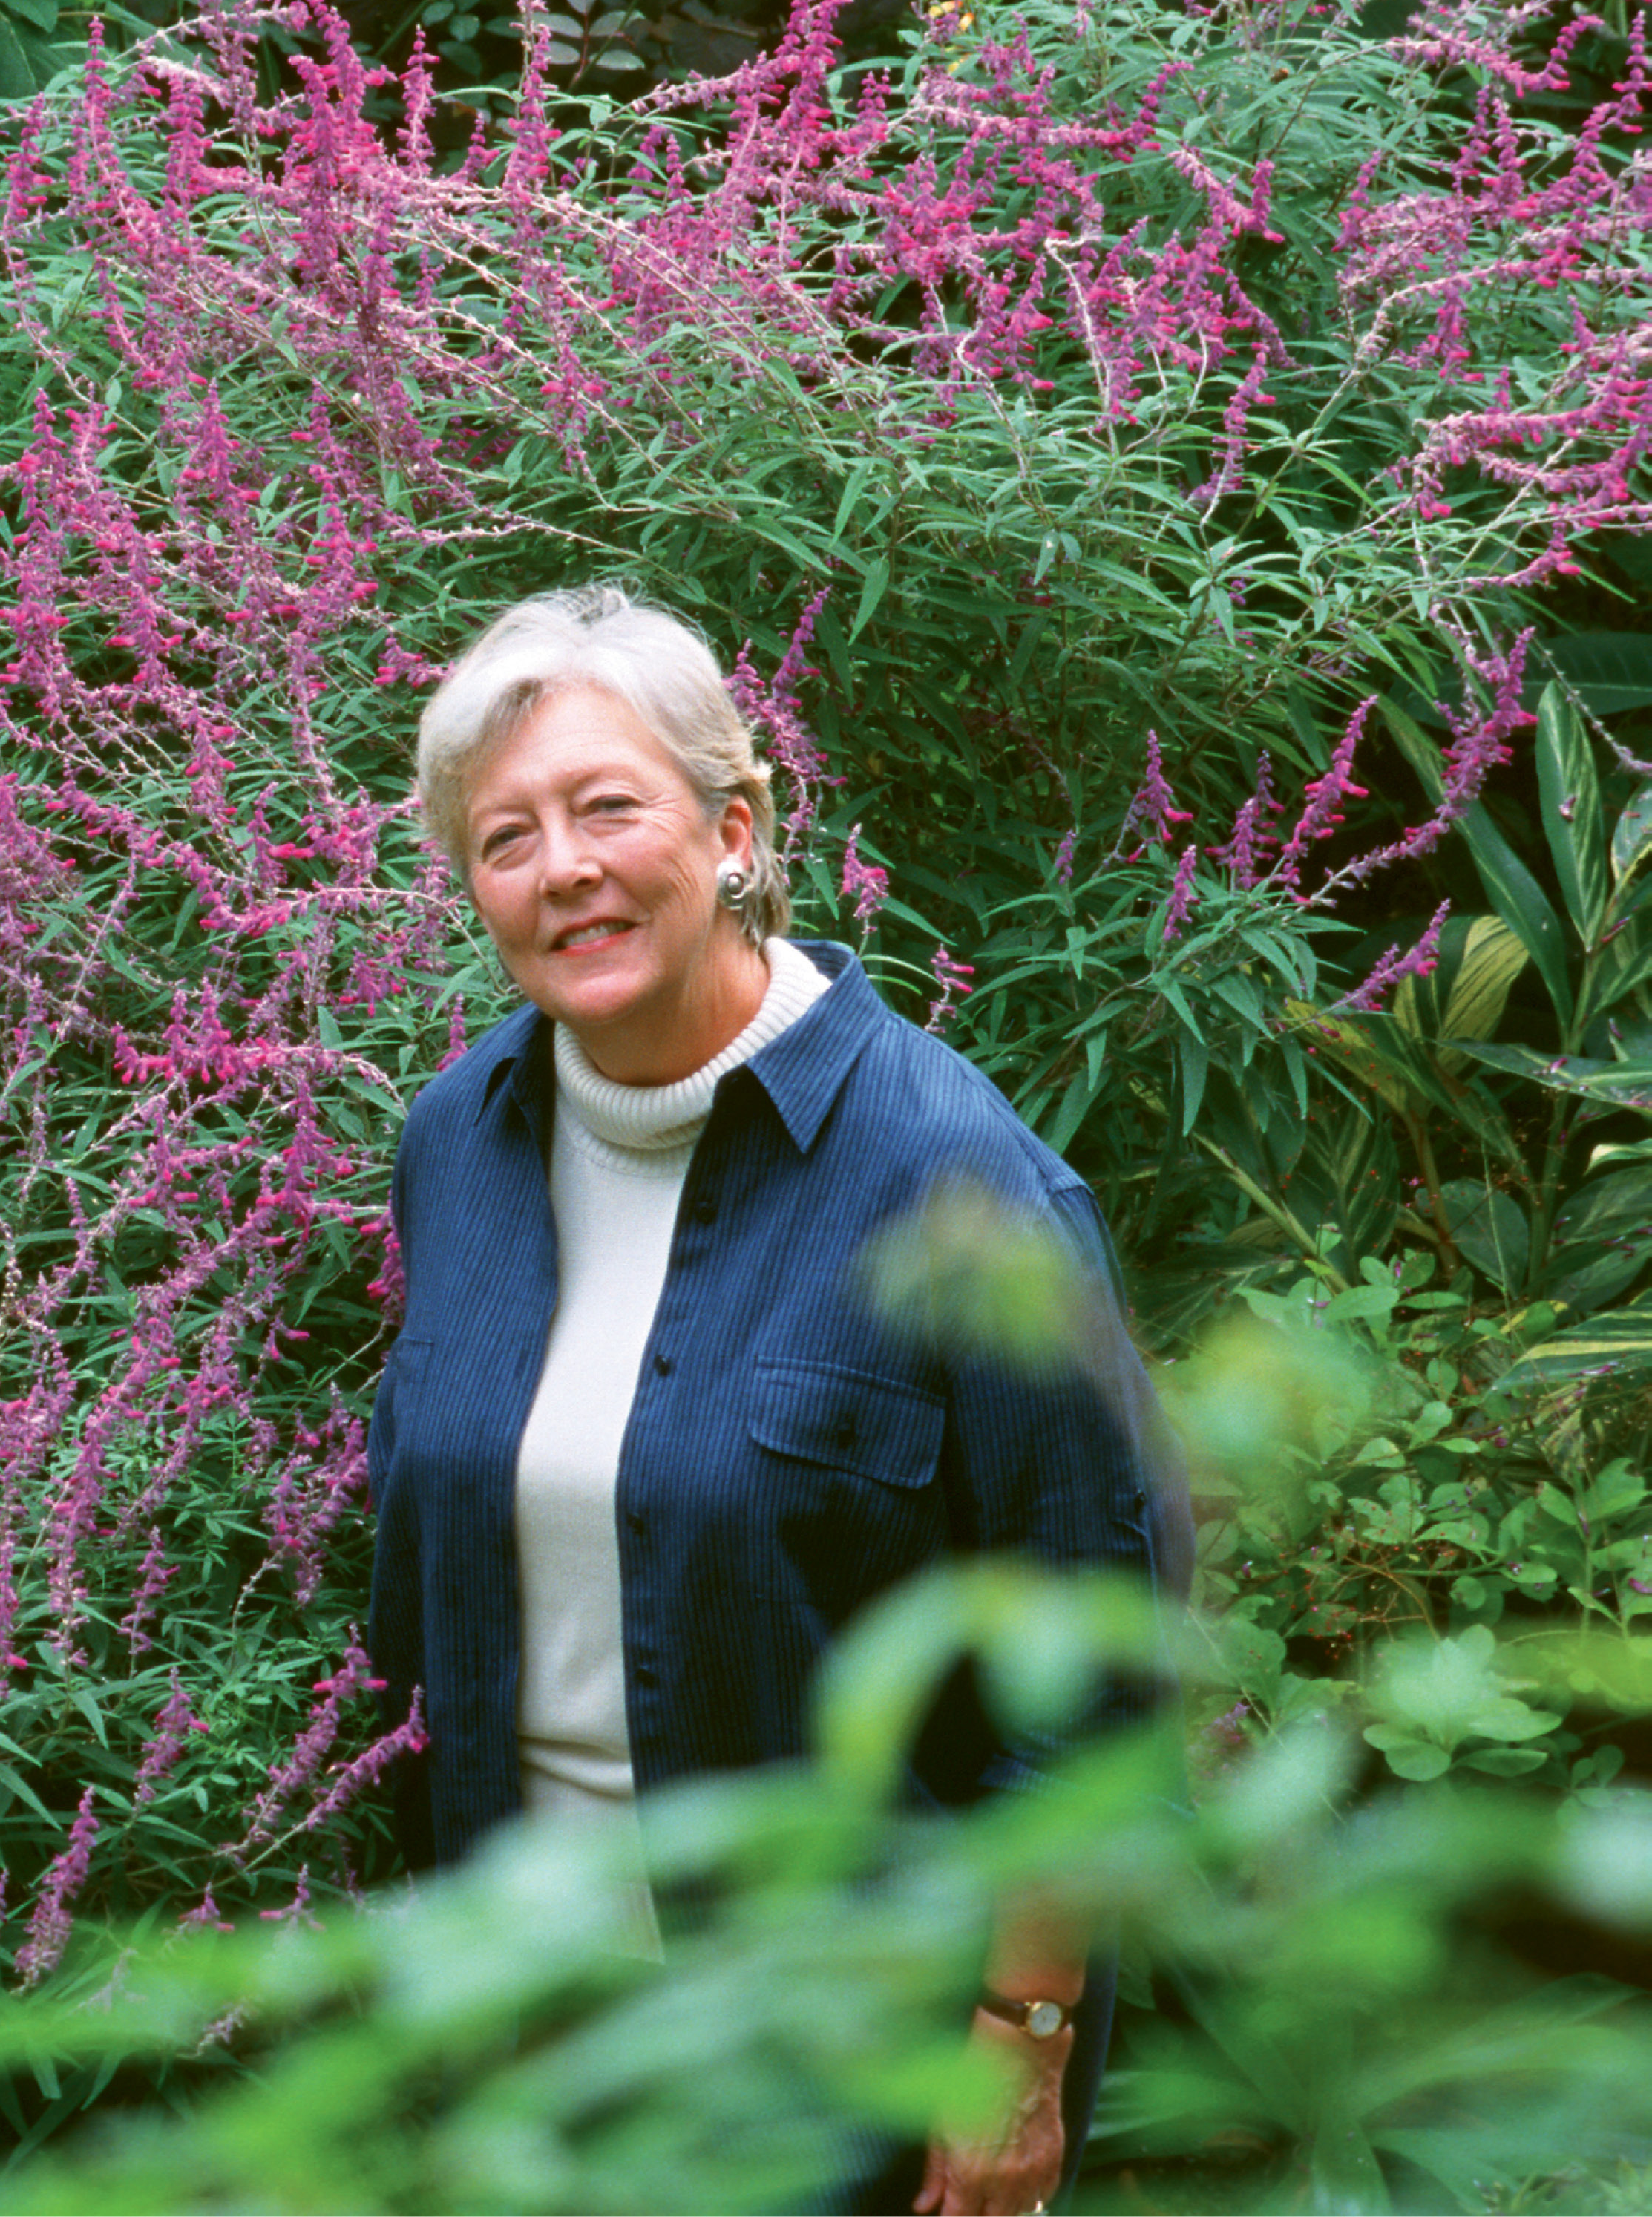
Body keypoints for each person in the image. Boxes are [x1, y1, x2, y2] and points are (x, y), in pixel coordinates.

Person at [366, 586, 1190, 2216]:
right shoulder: (453, 1142)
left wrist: (1019, 2035)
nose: (564, 868)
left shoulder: (946, 1176)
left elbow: (1094, 1662)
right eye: (505, 836)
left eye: (608, 807)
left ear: (731, 824)